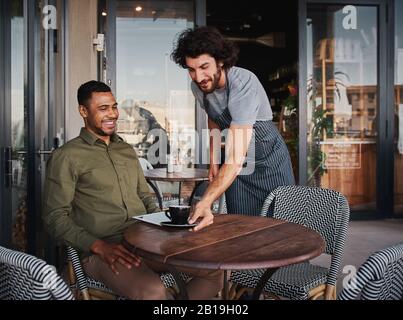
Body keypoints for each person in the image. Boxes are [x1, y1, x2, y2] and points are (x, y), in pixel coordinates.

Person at [42, 80, 223, 300]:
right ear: (83, 111)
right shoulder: (67, 156)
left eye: (114, 107)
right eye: (103, 108)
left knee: (215, 272)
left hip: (145, 241)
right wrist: (98, 246)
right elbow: (54, 217)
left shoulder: (126, 150)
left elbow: (144, 196)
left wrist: (161, 226)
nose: (112, 114)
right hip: (103, 249)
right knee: (154, 292)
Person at [171, 26, 295, 231]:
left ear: (220, 61)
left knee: (280, 228)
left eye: (204, 67)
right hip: (237, 164)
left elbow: (235, 159)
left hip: (269, 161)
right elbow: (213, 119)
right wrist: (213, 161)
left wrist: (207, 200)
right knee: (241, 226)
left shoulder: (243, 83)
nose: (198, 76)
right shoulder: (199, 88)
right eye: (191, 69)